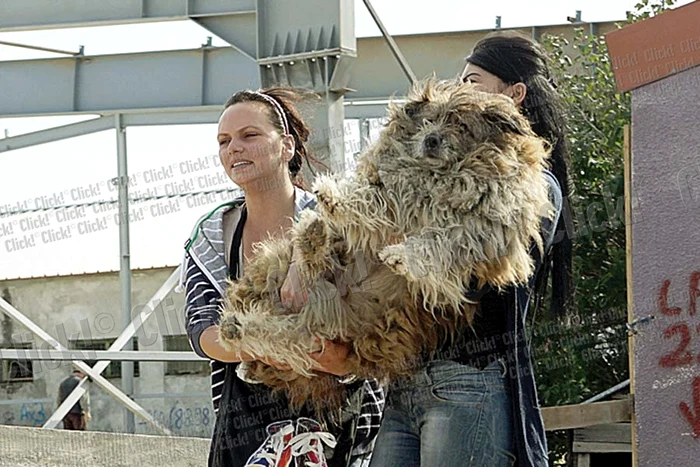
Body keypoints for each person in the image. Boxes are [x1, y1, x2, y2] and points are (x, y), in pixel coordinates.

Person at [283, 32, 572, 467]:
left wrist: (398, 237)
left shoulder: (534, 185)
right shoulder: (433, 170)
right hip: (406, 382)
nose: (458, 91)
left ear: (514, 95)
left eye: (472, 81)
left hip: (467, 380)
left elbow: (476, 272)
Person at [180, 87, 384, 467]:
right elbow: (202, 332)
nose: (234, 148)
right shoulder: (212, 234)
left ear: (286, 145)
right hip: (247, 427)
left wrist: (333, 357)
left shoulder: (336, 221)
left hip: (342, 419)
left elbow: (373, 334)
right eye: (224, 141)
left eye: (249, 135)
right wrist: (281, 346)